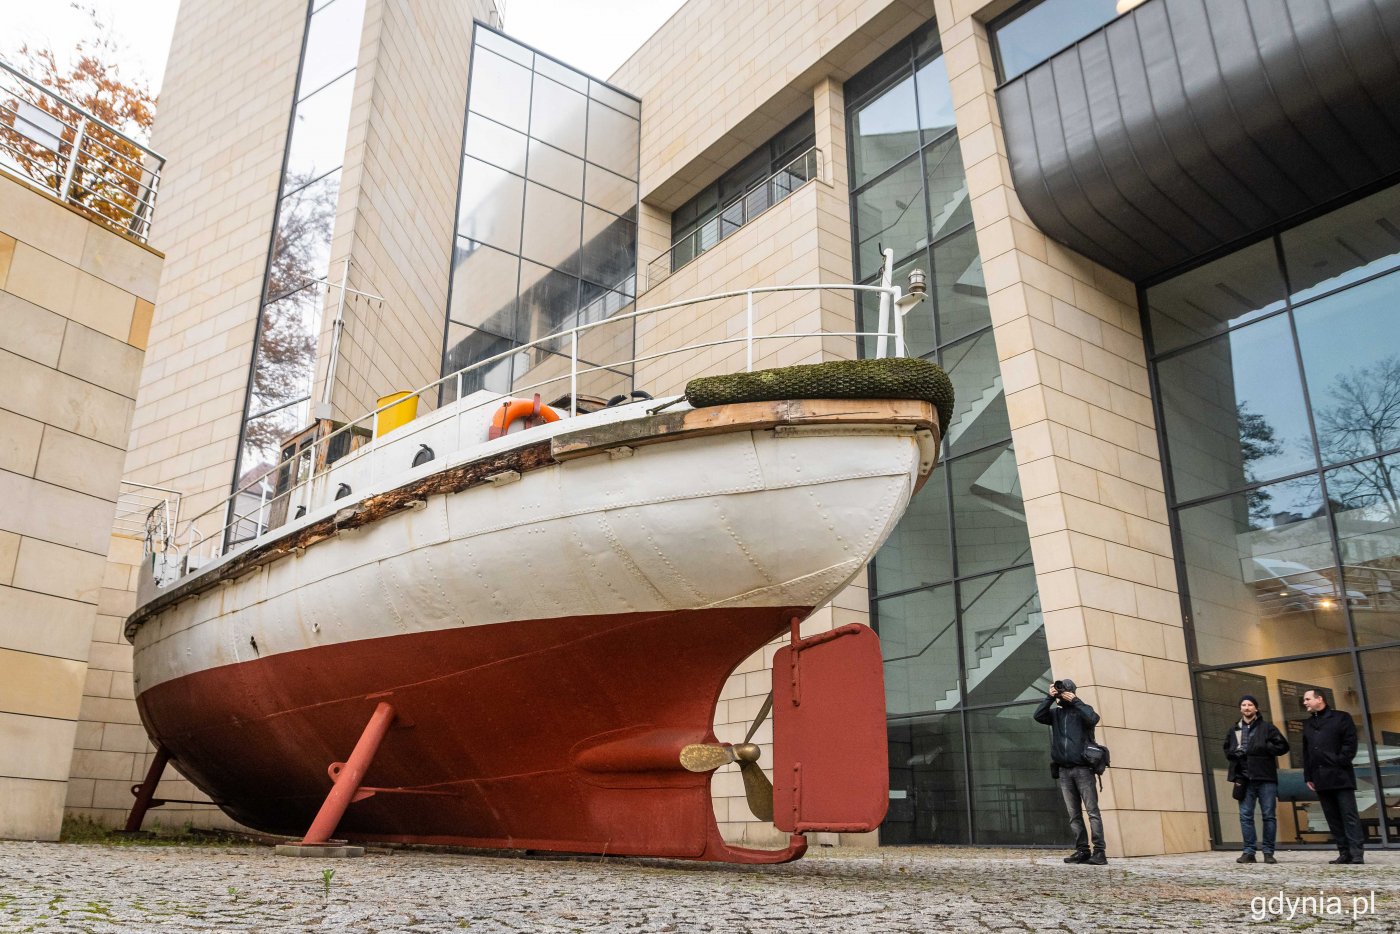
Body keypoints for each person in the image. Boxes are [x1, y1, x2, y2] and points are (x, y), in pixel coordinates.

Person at [1034, 678, 1105, 864]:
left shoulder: (1082, 711)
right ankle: (1082, 850)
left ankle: (1099, 852)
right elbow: (1038, 716)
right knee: (1074, 814)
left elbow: (1093, 718)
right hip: (1064, 771)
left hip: (1083, 770)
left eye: (1064, 690)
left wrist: (1075, 700)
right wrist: (1049, 698)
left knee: (1092, 812)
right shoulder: (1056, 715)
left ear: (1072, 691)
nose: (1061, 693)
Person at [1223, 694, 1289, 864]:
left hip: (1265, 777)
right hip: (1244, 778)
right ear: (1240, 708)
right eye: (1244, 705)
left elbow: (1283, 747)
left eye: (1250, 704)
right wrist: (1233, 753)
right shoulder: (1234, 729)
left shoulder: (1267, 728)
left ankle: (1268, 852)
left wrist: (1263, 746)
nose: (1247, 707)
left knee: (1268, 815)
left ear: (1256, 708)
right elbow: (1226, 750)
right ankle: (1249, 851)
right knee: (1245, 815)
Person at [1301, 688, 1364, 864]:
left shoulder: (1341, 718)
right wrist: (1308, 776)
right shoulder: (1307, 724)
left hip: (1340, 775)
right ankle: (1344, 852)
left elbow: (1350, 743)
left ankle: (1356, 852)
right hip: (1320, 777)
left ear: (1319, 699)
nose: (1304, 702)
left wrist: (1339, 760)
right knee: (1332, 817)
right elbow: (1306, 752)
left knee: (1349, 815)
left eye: (1307, 699)